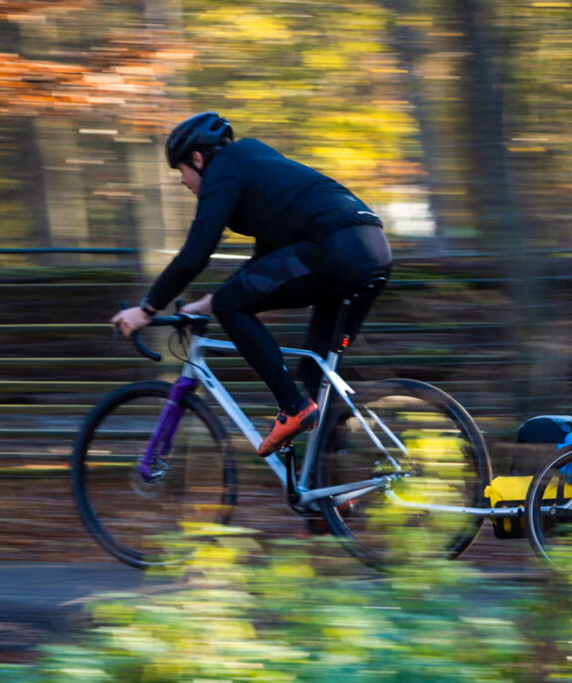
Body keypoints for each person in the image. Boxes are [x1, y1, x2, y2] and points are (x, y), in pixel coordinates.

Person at [112, 112, 392, 456]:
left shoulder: (223, 169)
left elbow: (195, 254)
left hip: (333, 246)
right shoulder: (256, 164)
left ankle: (293, 408)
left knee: (233, 305)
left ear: (198, 159)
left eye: (181, 171)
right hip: (372, 248)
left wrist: (148, 308)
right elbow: (266, 266)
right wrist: (207, 303)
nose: (183, 182)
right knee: (314, 366)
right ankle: (334, 489)